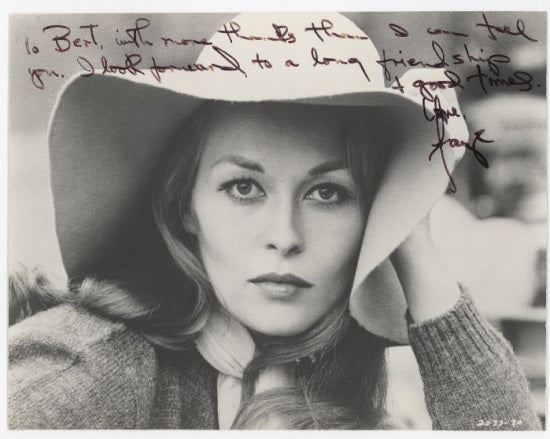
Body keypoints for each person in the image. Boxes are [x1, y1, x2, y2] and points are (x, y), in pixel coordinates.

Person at [8, 12, 541, 430]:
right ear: (184, 206)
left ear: (371, 216)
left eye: (327, 193)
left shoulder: (336, 381)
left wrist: (411, 236)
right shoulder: (88, 370)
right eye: (243, 188)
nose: (284, 237)